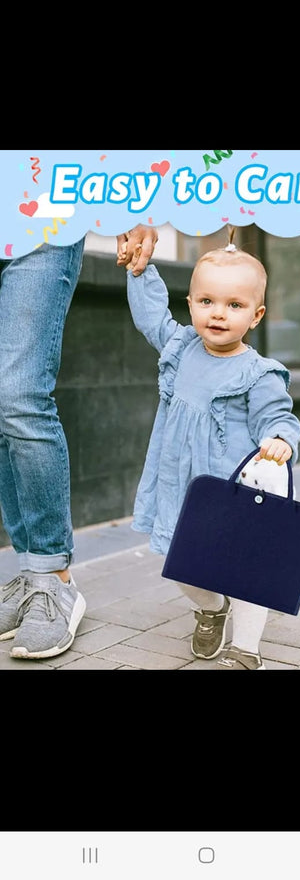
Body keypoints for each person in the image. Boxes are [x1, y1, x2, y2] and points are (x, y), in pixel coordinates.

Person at [121, 227, 300, 670]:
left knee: (245, 570)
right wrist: (141, 271)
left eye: (234, 305)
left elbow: (279, 416)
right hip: (179, 484)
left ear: (256, 316)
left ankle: (246, 649)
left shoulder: (259, 374)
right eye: (207, 302)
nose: (218, 314)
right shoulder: (181, 348)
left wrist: (279, 439)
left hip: (232, 489)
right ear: (191, 305)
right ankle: (210, 608)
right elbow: (151, 318)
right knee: (181, 564)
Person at [0, 224, 158, 660]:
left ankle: (54, 579)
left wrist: (132, 206)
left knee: (20, 394)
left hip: (45, 214)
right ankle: (30, 571)